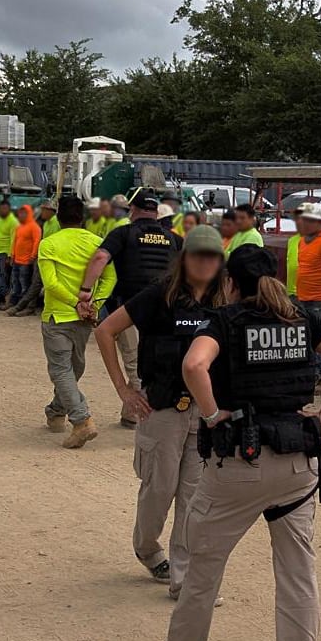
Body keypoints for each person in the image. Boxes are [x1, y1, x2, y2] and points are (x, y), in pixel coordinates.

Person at [153, 244, 321, 641]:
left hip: (238, 465)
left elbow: (193, 365)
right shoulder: (302, 319)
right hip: (297, 465)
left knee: (203, 573)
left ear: (231, 283)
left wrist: (210, 416)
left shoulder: (224, 323)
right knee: (298, 578)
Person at [94, 224, 229, 596]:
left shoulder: (225, 302)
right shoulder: (158, 296)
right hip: (162, 411)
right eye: (198, 255)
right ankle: (147, 549)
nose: (205, 262)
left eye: (212, 256)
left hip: (204, 414)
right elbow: (105, 331)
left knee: (193, 498)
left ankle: (182, 579)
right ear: (184, 259)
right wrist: (124, 390)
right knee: (159, 490)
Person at [78, 195, 182, 426]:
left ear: (132, 209)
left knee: (135, 361)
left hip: (132, 307)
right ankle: (133, 412)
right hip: (168, 307)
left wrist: (86, 290)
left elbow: (100, 256)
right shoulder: (173, 238)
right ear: (157, 213)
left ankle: (140, 413)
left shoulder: (123, 233)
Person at [37, 196, 105, 449]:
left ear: (57, 217)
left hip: (58, 315)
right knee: (72, 369)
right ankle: (55, 413)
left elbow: (51, 284)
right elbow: (109, 277)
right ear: (83, 217)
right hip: (85, 317)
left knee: (63, 371)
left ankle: (81, 420)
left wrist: (74, 303)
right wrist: (94, 302)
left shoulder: (49, 244)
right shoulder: (98, 244)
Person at [287, 202, 321, 388]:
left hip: (320, 299)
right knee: (308, 339)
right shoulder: (303, 241)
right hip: (304, 297)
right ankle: (313, 375)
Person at [8, 200, 58, 317]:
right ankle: (28, 307)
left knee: (35, 284)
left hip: (50, 258)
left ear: (50, 211)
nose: (42, 213)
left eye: (43, 210)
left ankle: (21, 306)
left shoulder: (56, 223)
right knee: (35, 283)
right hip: (42, 257)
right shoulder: (46, 224)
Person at [4, 204, 42, 310]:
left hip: (26, 262)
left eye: (24, 213)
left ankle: (22, 305)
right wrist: (12, 255)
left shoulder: (34, 227)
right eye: (20, 213)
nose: (21, 215)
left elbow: (36, 242)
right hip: (17, 261)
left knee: (24, 284)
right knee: (15, 283)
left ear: (29, 214)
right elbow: (15, 242)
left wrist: (33, 255)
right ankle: (13, 303)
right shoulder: (19, 227)